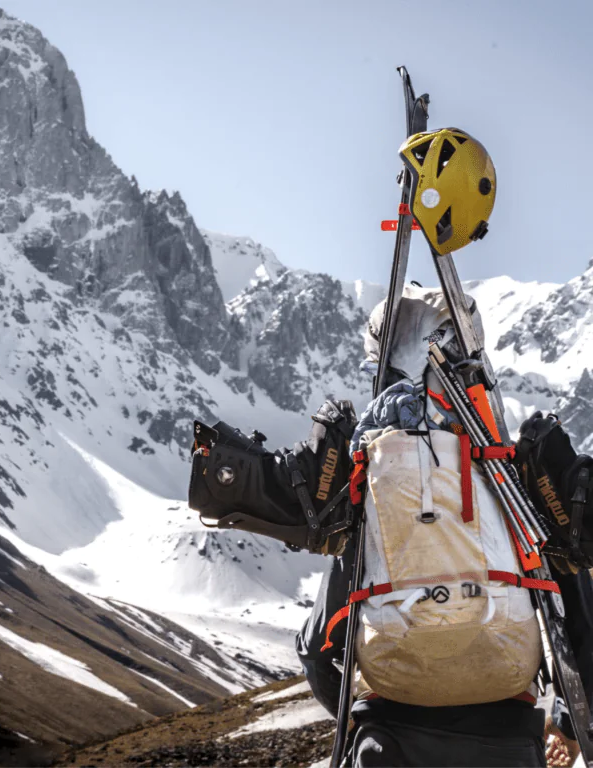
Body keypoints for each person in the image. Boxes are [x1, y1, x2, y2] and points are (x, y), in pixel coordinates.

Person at [187, 127, 593, 768]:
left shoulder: (371, 467)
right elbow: (572, 594)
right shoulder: (509, 466)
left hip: (390, 728)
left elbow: (324, 652)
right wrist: (568, 722)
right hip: (509, 724)